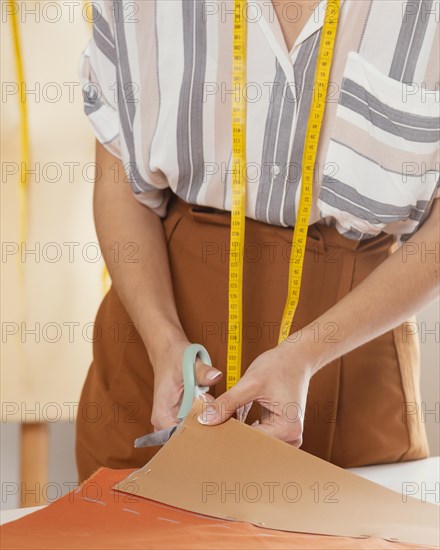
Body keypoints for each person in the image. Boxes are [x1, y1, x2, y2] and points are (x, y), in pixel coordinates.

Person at [76, 0, 439, 482]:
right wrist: (162, 341)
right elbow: (120, 179)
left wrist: (309, 352)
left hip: (353, 357)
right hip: (160, 346)